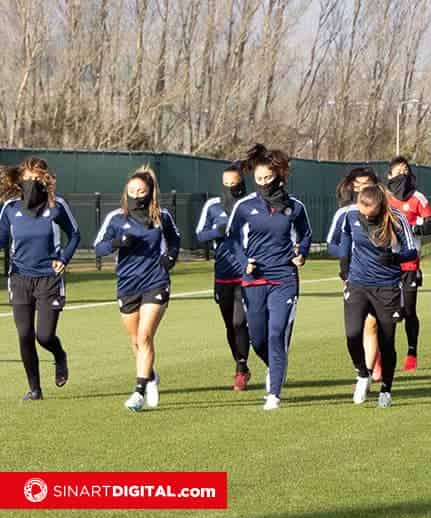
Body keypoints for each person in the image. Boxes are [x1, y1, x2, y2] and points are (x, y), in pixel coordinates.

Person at [226, 144, 312, 411]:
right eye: (259, 179)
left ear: (279, 176)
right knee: (258, 339)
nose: (263, 184)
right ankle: (276, 366)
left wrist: (302, 254)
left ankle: (274, 392)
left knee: (276, 334)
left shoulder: (295, 207)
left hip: (284, 278)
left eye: (268, 178)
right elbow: (231, 242)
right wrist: (244, 263)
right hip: (254, 279)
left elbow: (306, 235)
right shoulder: (244, 207)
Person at [94, 166, 180, 412]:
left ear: (150, 192)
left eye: (141, 191)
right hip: (127, 284)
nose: (135, 195)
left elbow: (175, 239)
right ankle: (151, 376)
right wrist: (116, 243)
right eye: (131, 191)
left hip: (156, 281)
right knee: (135, 341)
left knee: (144, 336)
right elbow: (98, 247)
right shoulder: (116, 218)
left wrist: (171, 257)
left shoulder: (162, 216)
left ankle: (139, 392)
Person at [0, 158, 80, 401]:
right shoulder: (10, 209)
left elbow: (75, 234)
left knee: (43, 336)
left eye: (37, 179)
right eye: (27, 179)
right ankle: (35, 389)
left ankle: (59, 356)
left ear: (45, 180)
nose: (32, 184)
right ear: (19, 180)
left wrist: (64, 258)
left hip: (49, 279)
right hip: (20, 278)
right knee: (24, 334)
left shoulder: (57, 206)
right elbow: (2, 239)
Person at [331, 185, 417, 408]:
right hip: (358, 283)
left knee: (387, 341)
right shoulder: (350, 216)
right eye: (363, 207)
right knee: (352, 334)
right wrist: (345, 272)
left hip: (387, 286)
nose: (366, 213)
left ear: (380, 206)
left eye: (371, 209)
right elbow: (344, 244)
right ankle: (362, 373)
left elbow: (412, 250)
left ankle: (386, 389)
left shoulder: (396, 217)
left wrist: (396, 260)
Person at [196, 161, 266, 391]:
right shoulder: (213, 206)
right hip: (223, 272)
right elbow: (200, 234)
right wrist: (217, 231)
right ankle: (241, 365)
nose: (229, 189)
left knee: (240, 321)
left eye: (234, 184)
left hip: (248, 272)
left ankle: (242, 368)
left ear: (242, 184)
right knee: (230, 324)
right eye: (226, 184)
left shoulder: (252, 204)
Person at [385, 156, 431, 371]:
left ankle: (412, 351)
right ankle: (380, 356)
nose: (402, 175)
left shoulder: (418, 198)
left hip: (409, 261)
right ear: (389, 176)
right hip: (386, 263)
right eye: (398, 172)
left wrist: (415, 227)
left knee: (408, 310)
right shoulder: (385, 198)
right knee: (384, 312)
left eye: (406, 171)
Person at [328, 168, 382, 384]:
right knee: (356, 326)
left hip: (379, 275)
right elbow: (331, 243)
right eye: (357, 185)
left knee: (372, 323)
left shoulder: (386, 210)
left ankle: (368, 371)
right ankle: (365, 363)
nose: (361, 188)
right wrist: (347, 254)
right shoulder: (345, 214)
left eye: (366, 184)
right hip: (352, 274)